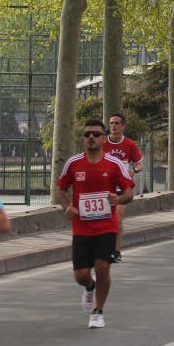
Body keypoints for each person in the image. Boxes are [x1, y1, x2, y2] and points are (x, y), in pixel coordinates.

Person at [56, 119, 135, 328]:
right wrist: (66, 207)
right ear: (83, 138)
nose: (91, 137)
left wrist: (118, 199)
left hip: (106, 226)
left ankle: (98, 311)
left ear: (103, 138)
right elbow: (61, 190)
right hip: (81, 227)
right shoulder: (73, 163)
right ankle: (89, 287)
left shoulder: (114, 163)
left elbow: (129, 192)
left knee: (102, 267)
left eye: (96, 134)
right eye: (87, 134)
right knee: (81, 275)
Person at [102, 113, 143, 263]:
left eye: (117, 123)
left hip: (122, 186)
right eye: (111, 123)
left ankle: (116, 251)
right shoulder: (103, 142)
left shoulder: (130, 144)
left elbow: (140, 164)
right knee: (103, 219)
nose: (113, 126)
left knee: (117, 218)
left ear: (123, 126)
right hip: (105, 186)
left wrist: (134, 170)